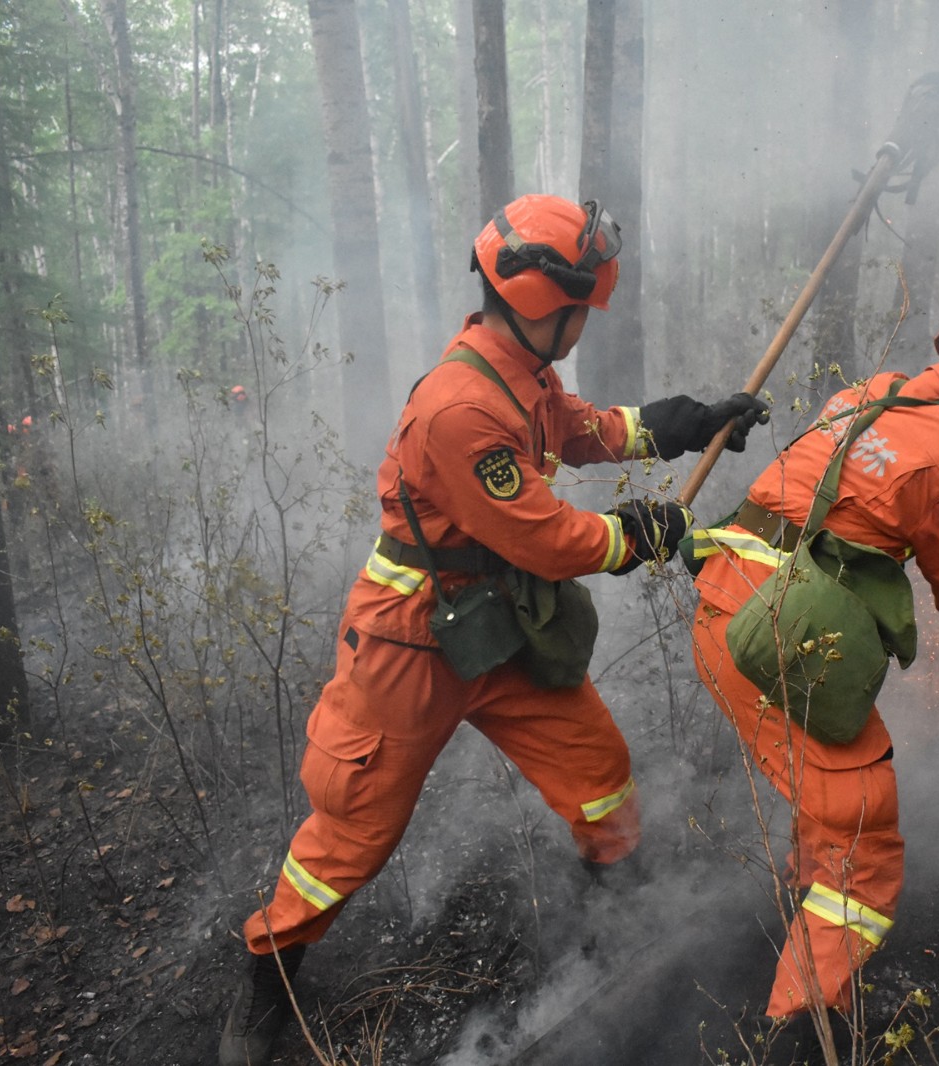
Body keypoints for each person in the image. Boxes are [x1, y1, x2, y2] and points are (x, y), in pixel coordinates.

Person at [219, 194, 768, 1066]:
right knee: (353, 826)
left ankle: (619, 915)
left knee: (598, 775)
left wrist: (688, 421)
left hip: (500, 627)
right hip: (408, 643)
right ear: (552, 304)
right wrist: (645, 535)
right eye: (584, 308)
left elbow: (581, 429)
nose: (588, 323)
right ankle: (268, 971)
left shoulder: (521, 372)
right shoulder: (458, 408)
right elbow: (548, 537)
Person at [686, 283, 939, 1060]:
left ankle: (801, 892)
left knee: (823, 795)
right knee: (867, 848)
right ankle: (796, 1031)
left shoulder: (869, 393)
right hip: (774, 650)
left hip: (720, 606)